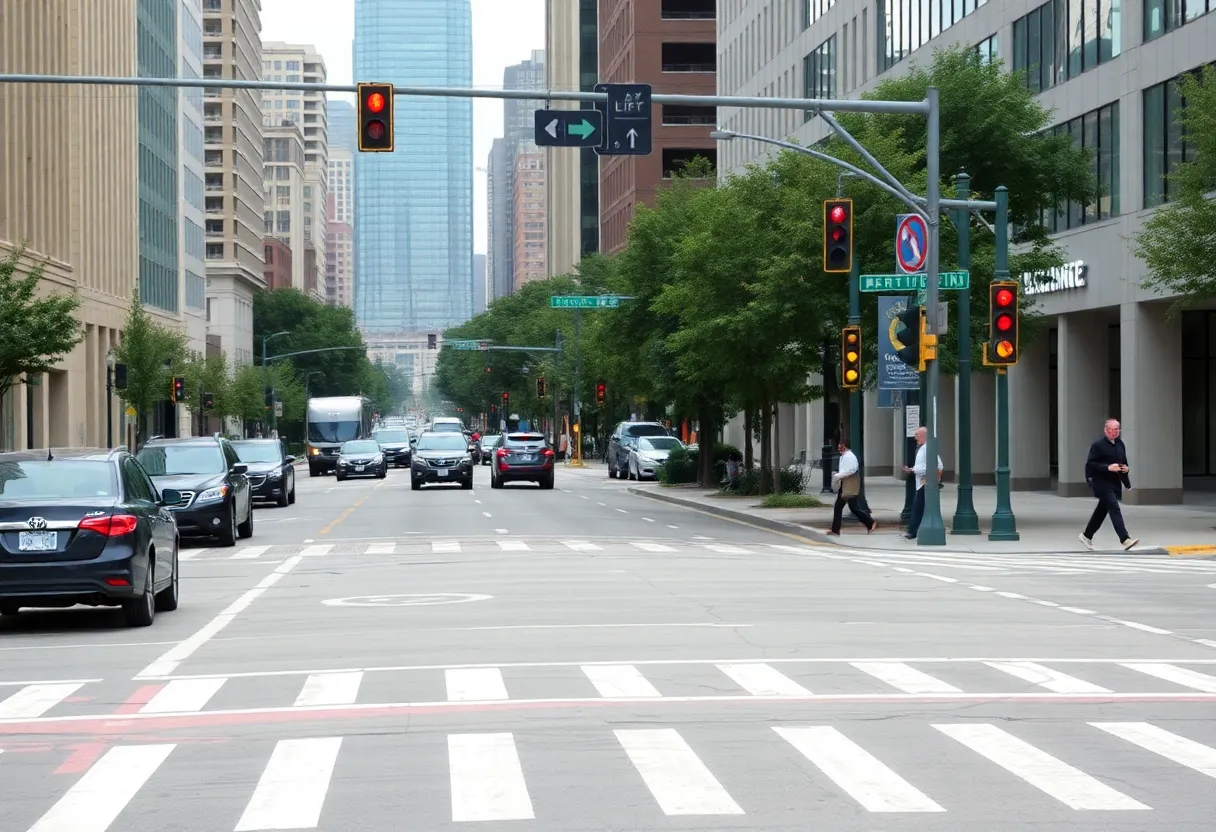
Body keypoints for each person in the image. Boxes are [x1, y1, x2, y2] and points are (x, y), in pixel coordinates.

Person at [1079, 418, 1139, 551]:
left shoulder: (1120, 444)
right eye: (1111, 429)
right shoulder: (1098, 445)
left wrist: (1126, 474)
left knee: (1101, 511)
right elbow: (1091, 465)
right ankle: (1125, 539)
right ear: (1106, 430)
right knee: (1114, 508)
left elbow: (1123, 463)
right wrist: (1107, 468)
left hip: (1114, 483)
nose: (1114, 432)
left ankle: (1086, 535)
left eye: (1117, 429)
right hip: (1100, 482)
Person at [827, 437, 876, 536]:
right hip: (846, 483)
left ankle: (835, 530)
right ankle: (870, 523)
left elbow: (851, 470)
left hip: (848, 484)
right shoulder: (845, 456)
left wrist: (838, 475)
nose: (838, 448)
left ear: (844, 446)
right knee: (853, 508)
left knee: (839, 507)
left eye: (840, 445)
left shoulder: (849, 456)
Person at [902, 426, 942, 540]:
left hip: (925, 484)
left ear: (924, 435)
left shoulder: (927, 449)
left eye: (917, 435)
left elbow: (937, 466)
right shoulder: (924, 448)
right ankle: (914, 531)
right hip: (923, 483)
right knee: (919, 507)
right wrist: (913, 469)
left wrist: (914, 470)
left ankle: (912, 531)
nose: (915, 438)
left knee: (918, 508)